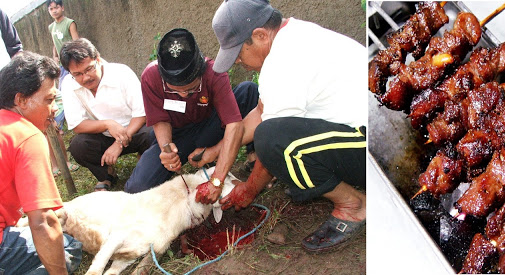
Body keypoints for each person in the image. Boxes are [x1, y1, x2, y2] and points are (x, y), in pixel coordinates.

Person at [202, 0, 367, 253]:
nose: (237, 62)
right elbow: (260, 111)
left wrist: (249, 189)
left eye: (238, 53)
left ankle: (353, 205)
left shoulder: (284, 59)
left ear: (259, 35)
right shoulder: (293, 35)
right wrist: (216, 151)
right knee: (272, 134)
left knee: (271, 140)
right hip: (361, 133)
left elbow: (273, 144)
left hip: (371, 149)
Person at [124, 28, 259, 193]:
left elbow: (233, 124)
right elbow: (160, 119)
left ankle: (254, 158)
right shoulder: (150, 76)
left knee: (248, 91)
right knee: (137, 188)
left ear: (201, 72)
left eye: (191, 89)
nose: (183, 95)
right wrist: (167, 150)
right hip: (177, 134)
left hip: (212, 125)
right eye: (175, 91)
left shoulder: (214, 73)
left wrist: (217, 178)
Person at [0, 51, 82, 274]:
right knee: (68, 247)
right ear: (21, 100)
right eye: (48, 100)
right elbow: (43, 222)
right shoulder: (27, 136)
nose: (54, 108)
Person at [59, 38, 152, 191]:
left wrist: (120, 143)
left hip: (135, 131)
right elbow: (77, 125)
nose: (86, 78)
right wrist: (108, 124)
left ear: (98, 58)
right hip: (103, 136)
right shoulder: (68, 84)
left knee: (152, 133)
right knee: (78, 146)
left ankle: (143, 160)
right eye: (78, 74)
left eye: (89, 69)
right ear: (70, 73)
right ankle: (106, 175)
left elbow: (142, 114)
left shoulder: (121, 73)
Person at [47, 0, 80, 177]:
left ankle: (69, 121)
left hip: (72, 64)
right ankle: (58, 124)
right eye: (51, 9)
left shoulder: (70, 23)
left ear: (62, 8)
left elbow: (77, 41)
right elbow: (54, 42)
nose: (54, 11)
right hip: (61, 66)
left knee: (70, 94)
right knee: (60, 97)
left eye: (56, 7)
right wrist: (54, 57)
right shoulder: (51, 27)